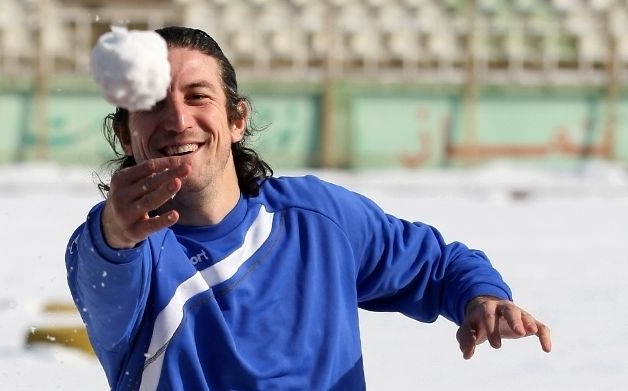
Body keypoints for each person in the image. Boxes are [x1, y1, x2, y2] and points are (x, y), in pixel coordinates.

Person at [65, 26, 551, 390]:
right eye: (152, 104)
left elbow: (437, 263)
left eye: (198, 97)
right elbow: (103, 269)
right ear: (126, 133)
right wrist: (116, 231)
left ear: (236, 119)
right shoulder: (125, 252)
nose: (177, 119)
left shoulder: (317, 217)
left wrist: (481, 297)